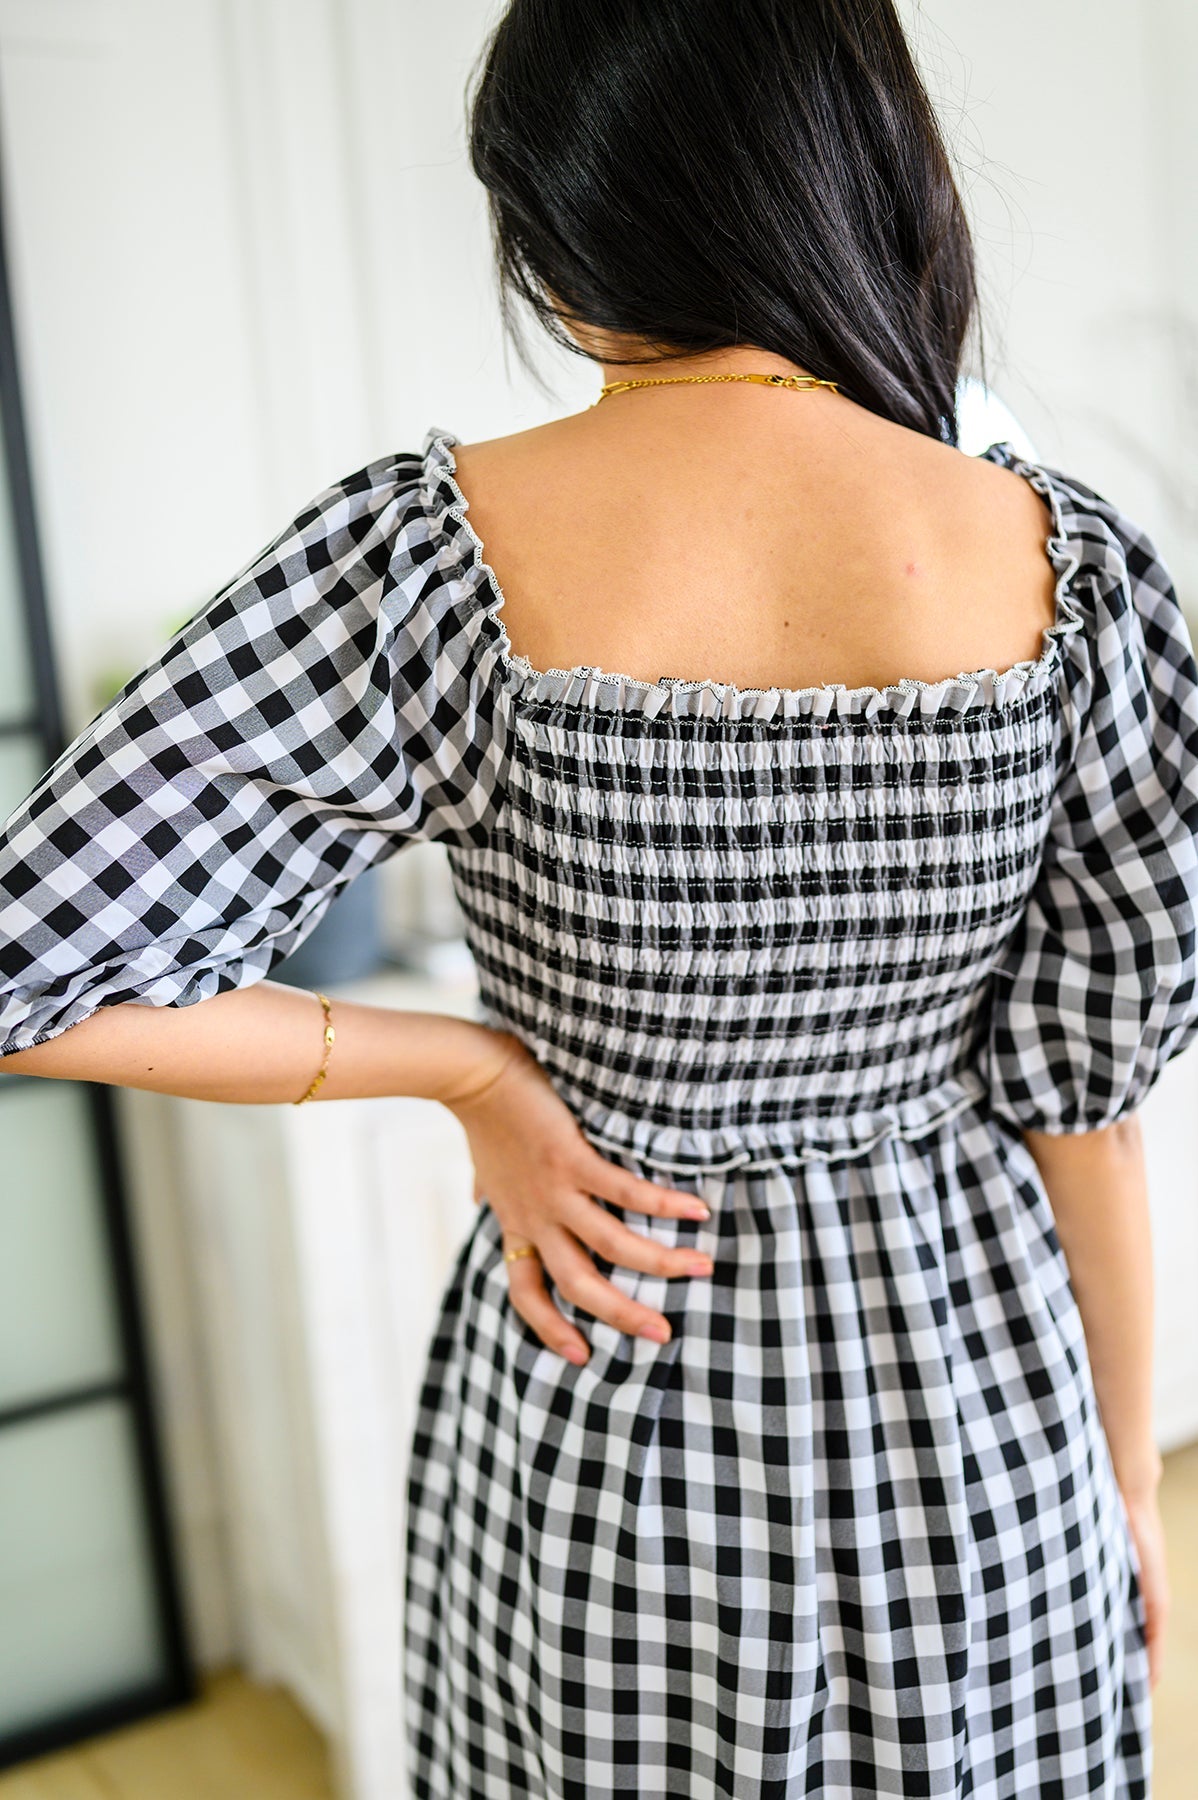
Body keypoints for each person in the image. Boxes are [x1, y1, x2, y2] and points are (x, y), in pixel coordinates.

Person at [2, 2, 1195, 1794]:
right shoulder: (1067, 572)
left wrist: (471, 1074)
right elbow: (1082, 1119)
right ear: (868, 173)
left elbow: (36, 967)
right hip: (978, 1430)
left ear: (549, 223)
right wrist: (1118, 1480)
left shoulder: (429, 561)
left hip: (604, 1391)